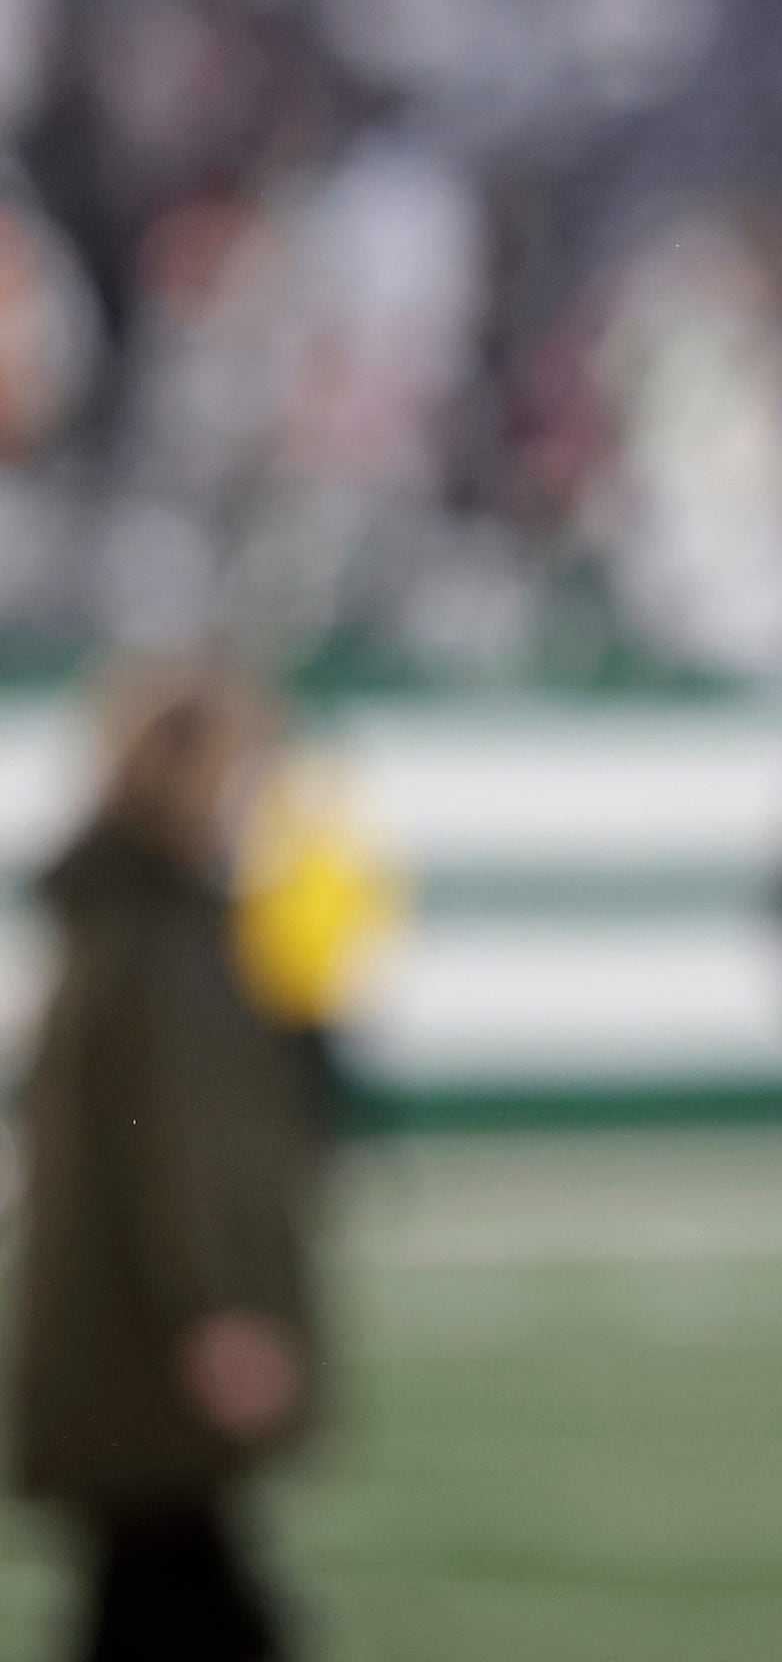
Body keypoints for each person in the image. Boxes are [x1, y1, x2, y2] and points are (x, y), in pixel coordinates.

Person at [12, 668, 319, 1662]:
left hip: (116, 1331)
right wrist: (217, 1309)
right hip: (147, 1339)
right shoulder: (159, 941)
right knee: (189, 1601)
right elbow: (173, 1154)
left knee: (149, 1595)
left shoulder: (114, 925)